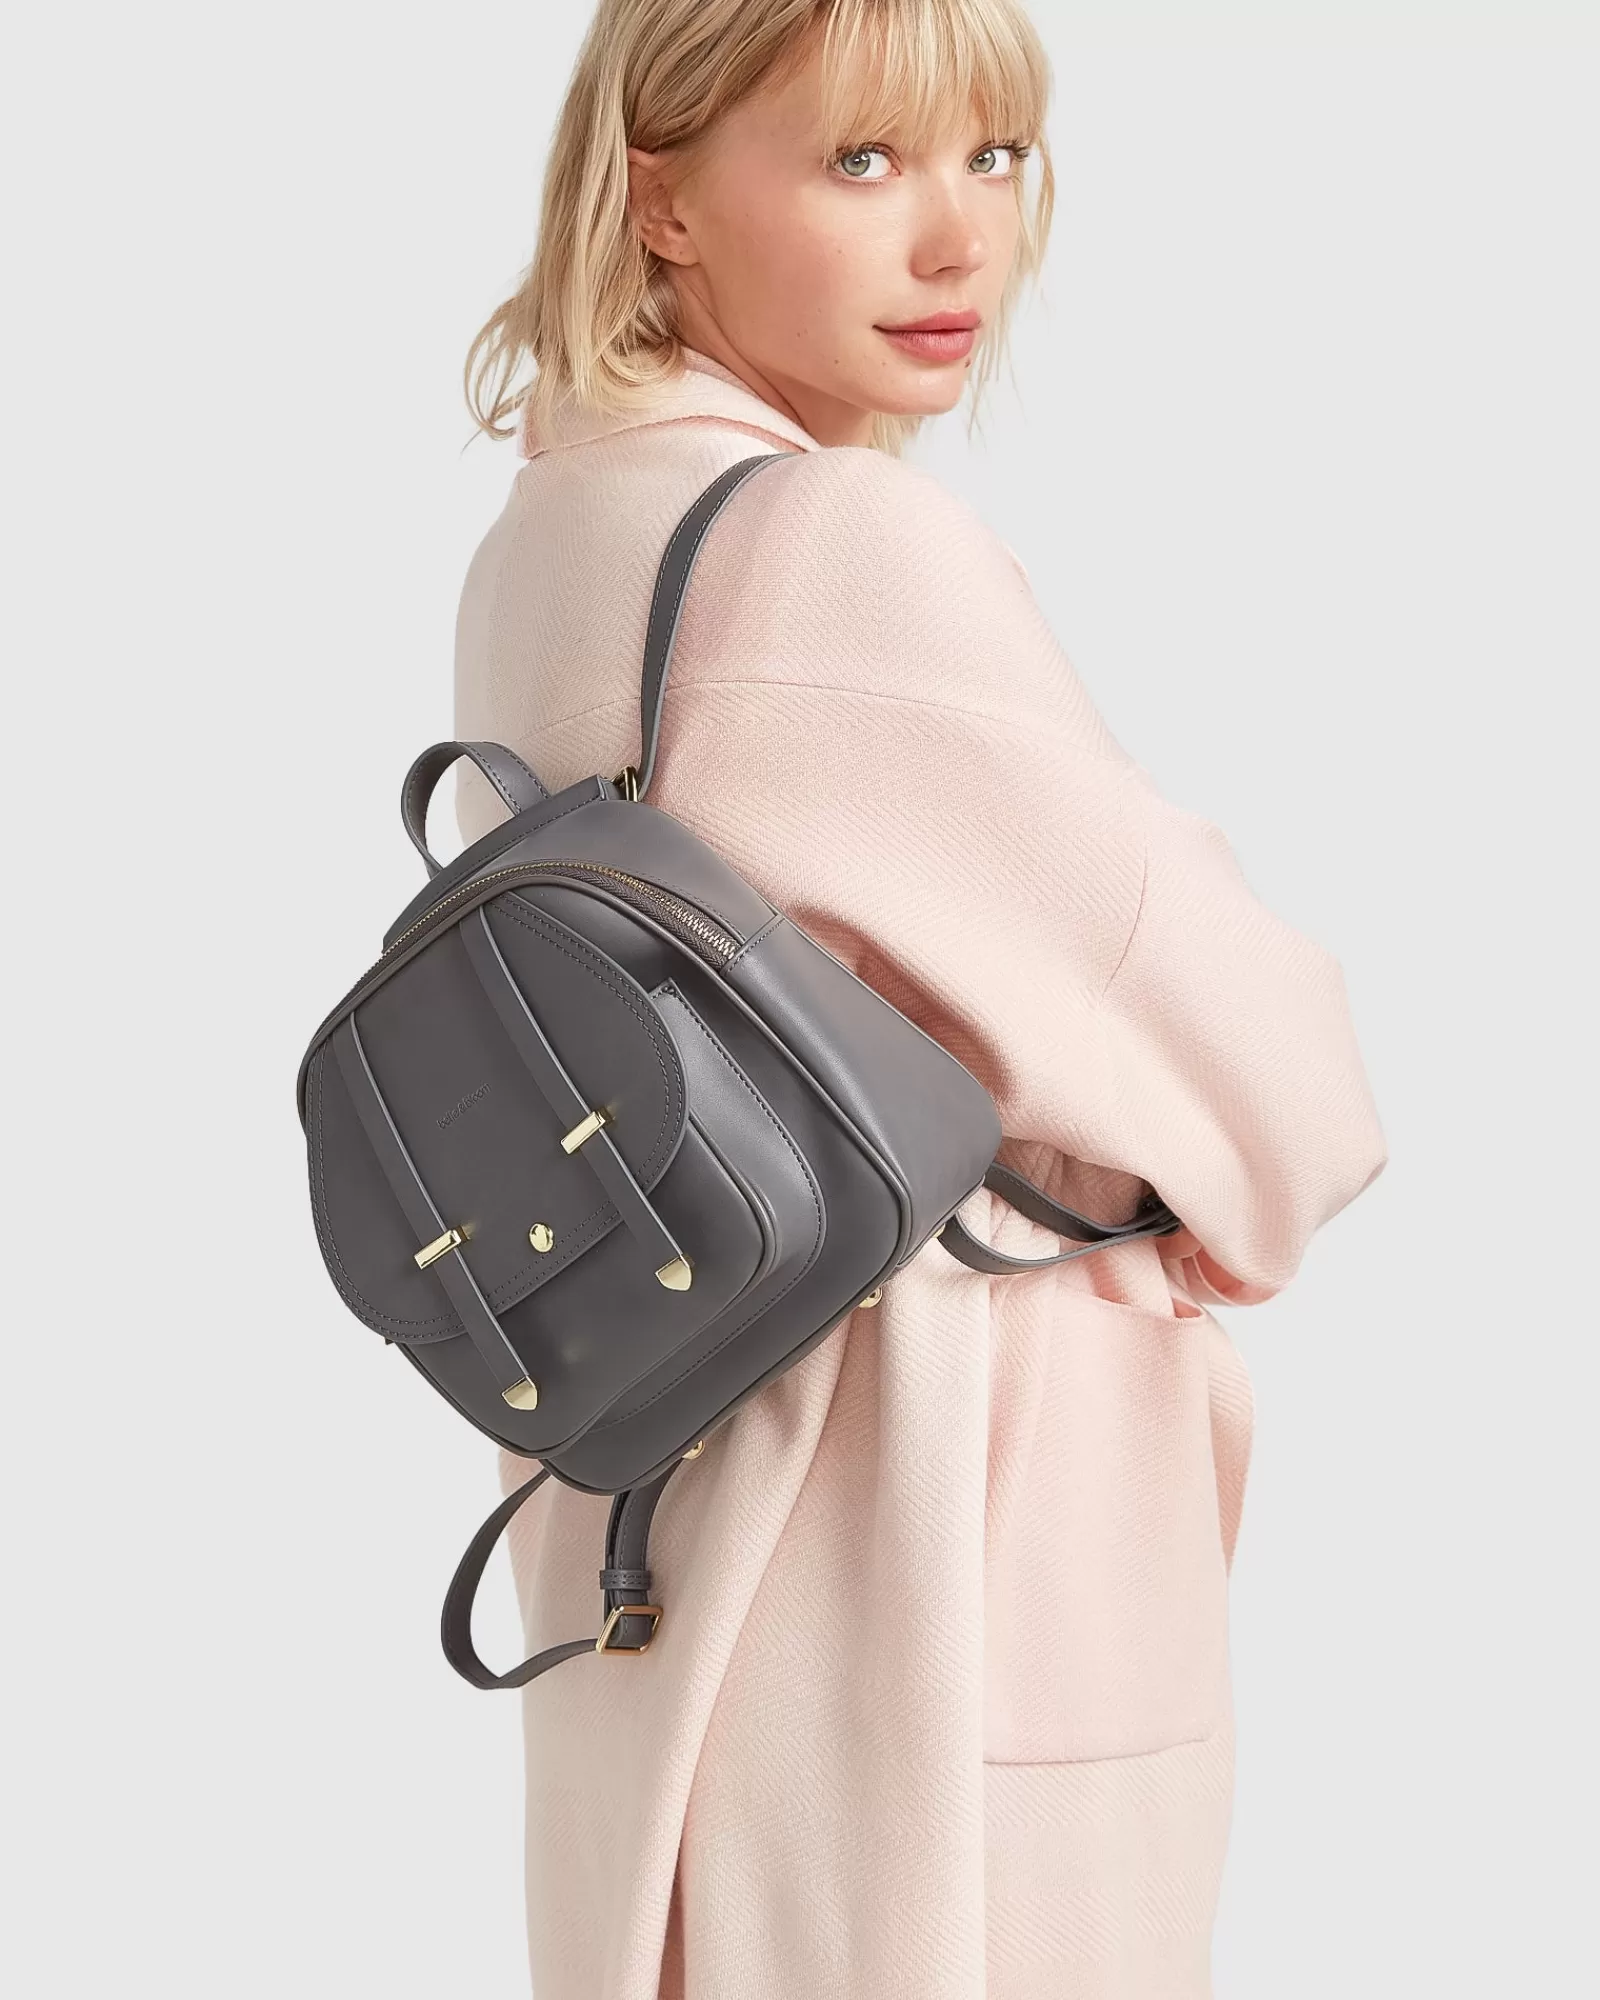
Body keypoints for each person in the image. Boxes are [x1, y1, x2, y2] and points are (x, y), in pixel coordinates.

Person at [451, 3, 1388, 1995]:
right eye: (862, 161)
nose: (959, 239)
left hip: (651, 1529)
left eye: (995, 157)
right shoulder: (835, 546)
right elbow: (1283, 1080)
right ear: (662, 199)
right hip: (926, 1557)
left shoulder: (556, 528)